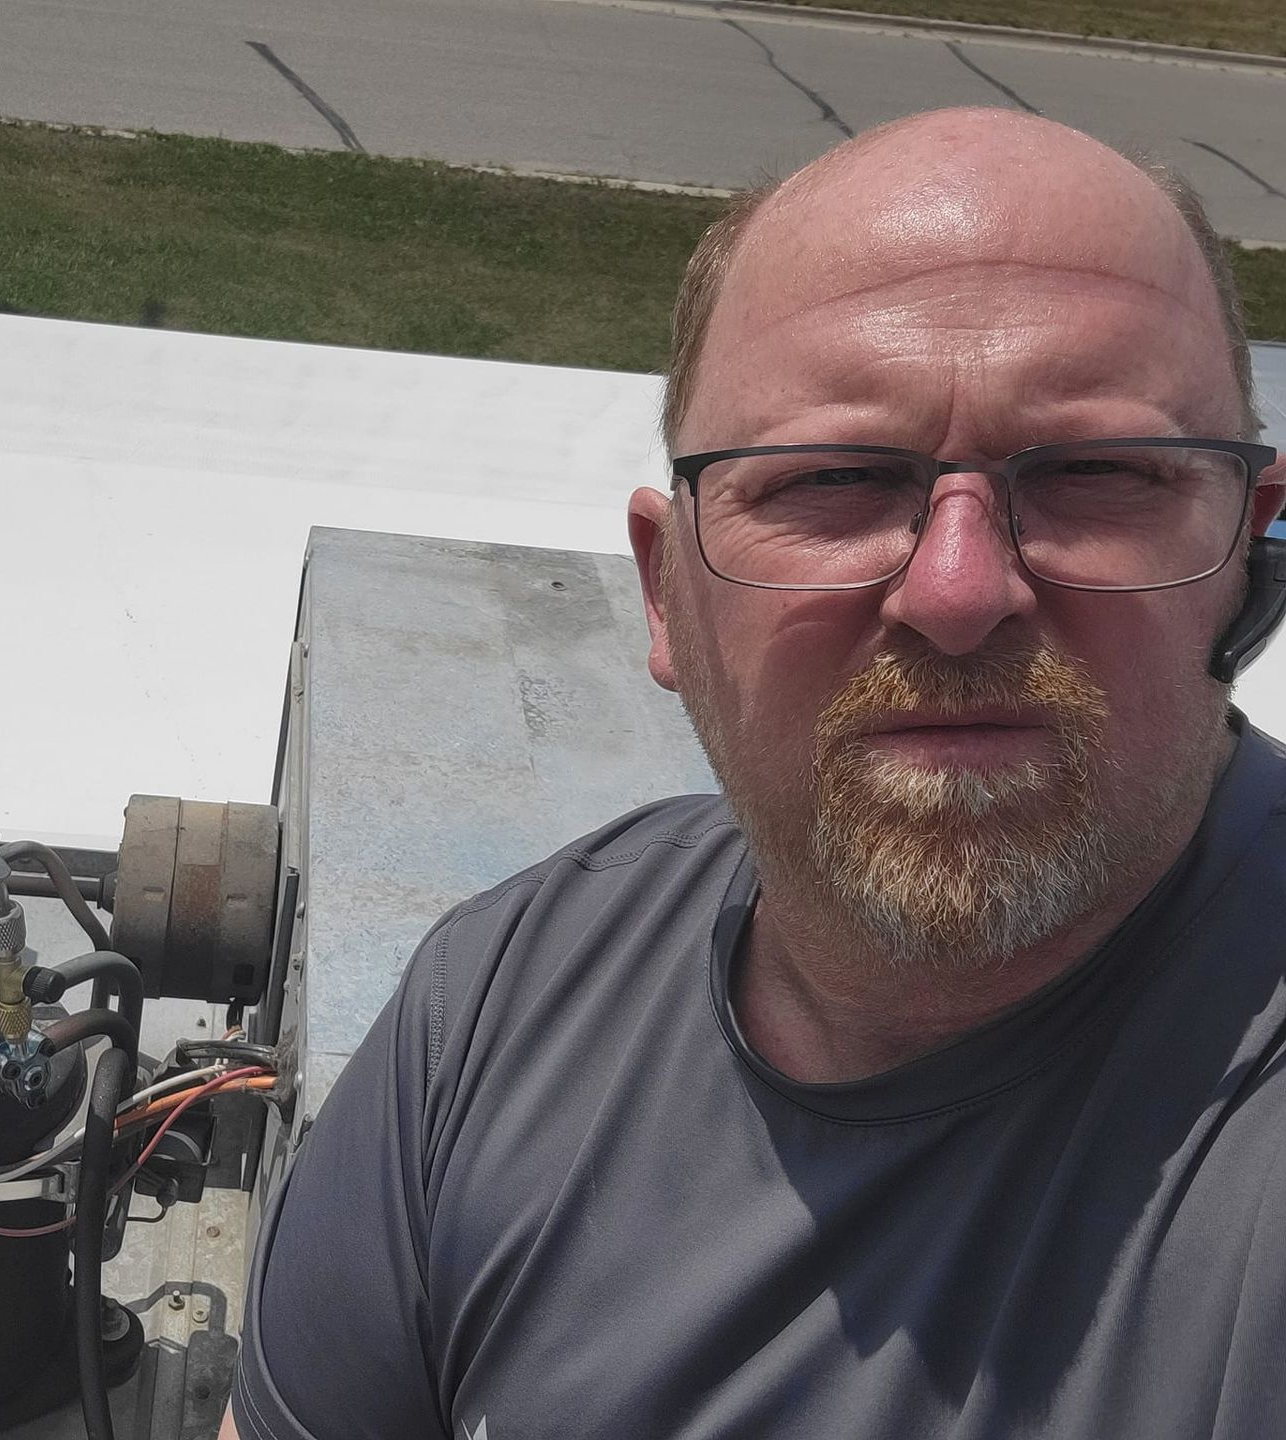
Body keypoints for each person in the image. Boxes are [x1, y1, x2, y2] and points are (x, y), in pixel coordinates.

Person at [222, 106, 1286, 1440]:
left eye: (1099, 474)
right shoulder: (497, 1007)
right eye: (834, 479)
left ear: (1251, 554)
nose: (958, 592)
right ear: (669, 591)